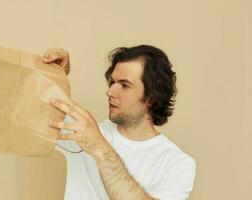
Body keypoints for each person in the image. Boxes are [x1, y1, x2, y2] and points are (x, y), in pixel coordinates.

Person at [42, 45, 196, 200]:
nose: (110, 92)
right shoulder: (83, 132)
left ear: (152, 97)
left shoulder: (177, 163)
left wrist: (99, 148)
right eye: (112, 82)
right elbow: (30, 108)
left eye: (124, 85)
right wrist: (55, 76)